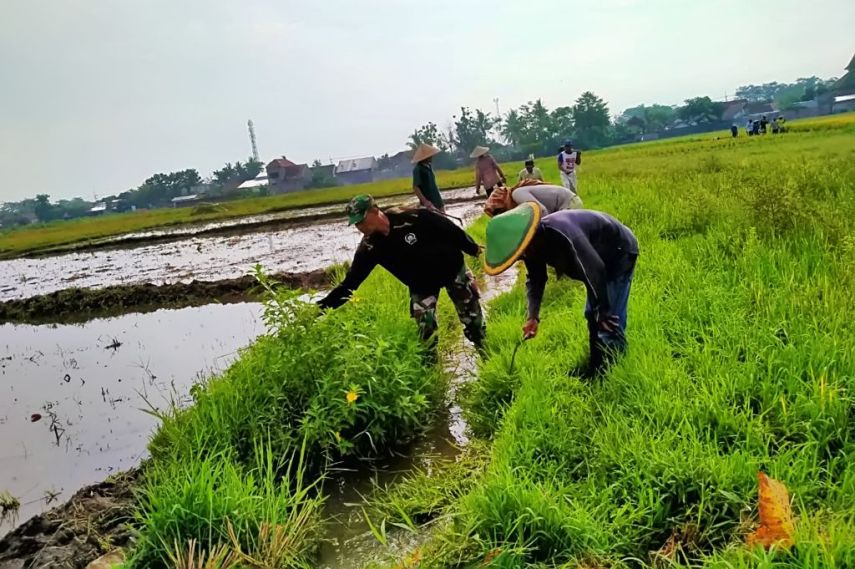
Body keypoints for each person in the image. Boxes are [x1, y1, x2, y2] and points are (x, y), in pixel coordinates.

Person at [318, 195, 486, 361]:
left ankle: (485, 353)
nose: (359, 227)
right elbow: (351, 283)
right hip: (421, 284)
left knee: (473, 321)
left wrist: (472, 248)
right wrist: (320, 308)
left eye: (361, 220)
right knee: (425, 328)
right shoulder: (370, 247)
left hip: (452, 269)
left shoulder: (413, 215)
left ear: (375, 211)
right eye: (356, 223)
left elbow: (450, 229)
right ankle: (432, 369)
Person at [483, 204, 638, 377]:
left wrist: (604, 310)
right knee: (591, 315)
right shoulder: (531, 246)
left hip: (618, 254)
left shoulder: (564, 233)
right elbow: (536, 278)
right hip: (596, 262)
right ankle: (597, 369)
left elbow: (596, 270)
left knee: (609, 321)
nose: (521, 257)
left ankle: (618, 376)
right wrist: (532, 316)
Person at [484, 181, 581, 216]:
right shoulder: (518, 201)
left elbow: (541, 211)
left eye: (501, 210)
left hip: (569, 204)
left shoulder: (516, 194)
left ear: (503, 200)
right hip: (564, 207)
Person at [411, 143, 445, 212]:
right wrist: (425, 201)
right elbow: (416, 187)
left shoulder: (429, 166)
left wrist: (440, 202)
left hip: (437, 201)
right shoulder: (418, 169)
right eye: (430, 155)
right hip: (429, 205)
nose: (432, 157)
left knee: (445, 221)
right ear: (425, 157)